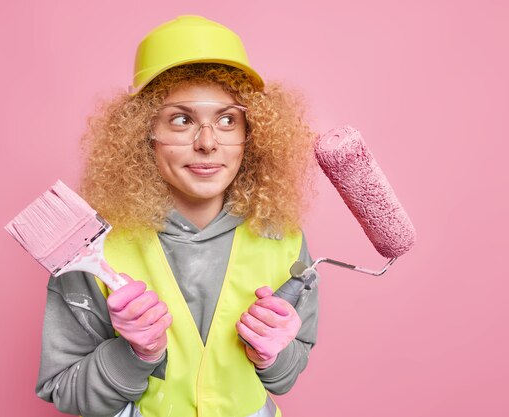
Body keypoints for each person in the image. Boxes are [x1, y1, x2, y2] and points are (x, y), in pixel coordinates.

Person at [36, 15, 319, 417]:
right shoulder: (93, 248)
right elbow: (64, 390)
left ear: (250, 133)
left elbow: (287, 375)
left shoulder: (285, 241)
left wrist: (273, 355)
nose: (207, 143)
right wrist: (134, 353)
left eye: (226, 120)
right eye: (182, 119)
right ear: (143, 134)